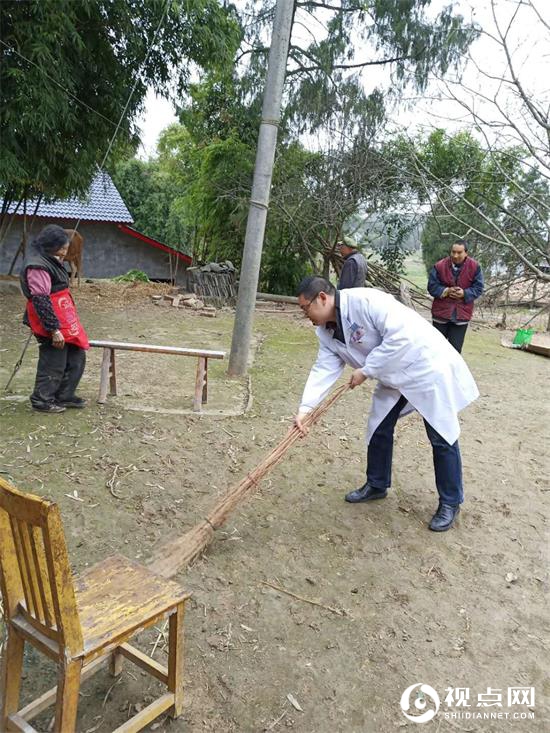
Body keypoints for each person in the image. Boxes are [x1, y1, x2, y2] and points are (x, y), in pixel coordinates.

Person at [293, 276, 479, 532]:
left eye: (305, 308)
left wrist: (367, 370)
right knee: (378, 427)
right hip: (392, 376)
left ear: (322, 298)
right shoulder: (325, 330)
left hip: (424, 367)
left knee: (441, 434)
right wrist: (306, 409)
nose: (306, 315)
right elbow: (324, 368)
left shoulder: (367, 301)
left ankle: (450, 501)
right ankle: (377, 484)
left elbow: (401, 337)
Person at [20, 224, 89, 413]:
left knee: (76, 355)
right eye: (63, 248)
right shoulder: (37, 265)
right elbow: (41, 300)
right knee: (54, 359)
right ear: (51, 245)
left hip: (62, 316)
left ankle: (64, 395)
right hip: (48, 320)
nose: (66, 252)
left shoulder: (49, 258)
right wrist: (54, 329)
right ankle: (42, 400)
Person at [428, 240, 484, 353]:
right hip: (440, 315)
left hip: (461, 316)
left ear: (466, 253)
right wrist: (446, 291)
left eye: (459, 252)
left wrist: (465, 293)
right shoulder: (439, 266)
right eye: (453, 252)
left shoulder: (475, 267)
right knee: (435, 350)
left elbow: (479, 288)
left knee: (455, 351)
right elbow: (431, 287)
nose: (455, 255)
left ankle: (451, 371)